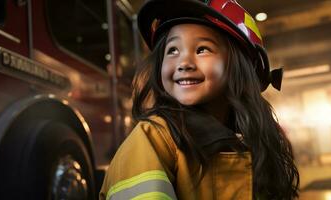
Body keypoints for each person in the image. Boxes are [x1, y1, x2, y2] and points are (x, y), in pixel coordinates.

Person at [99, 0, 299, 199]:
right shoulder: (153, 138)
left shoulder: (256, 139)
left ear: (242, 66)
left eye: (202, 49)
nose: (184, 63)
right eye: (173, 50)